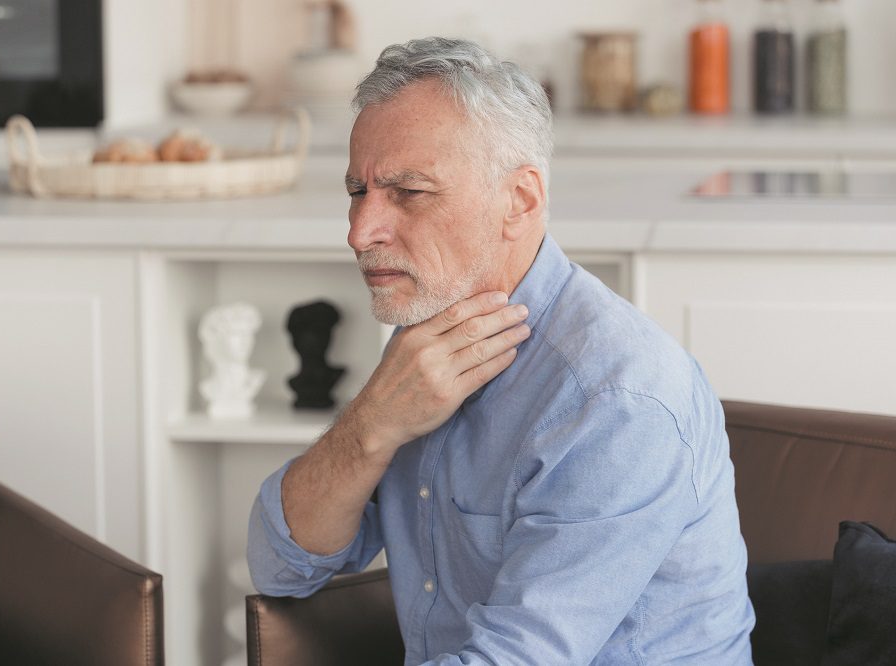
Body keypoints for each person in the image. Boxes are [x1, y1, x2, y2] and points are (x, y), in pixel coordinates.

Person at [248, 37, 755, 664]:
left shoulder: (618, 397)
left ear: (520, 200)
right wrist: (371, 424)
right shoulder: (428, 337)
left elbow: (519, 657)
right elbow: (279, 567)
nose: (359, 231)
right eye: (358, 190)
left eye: (408, 192)